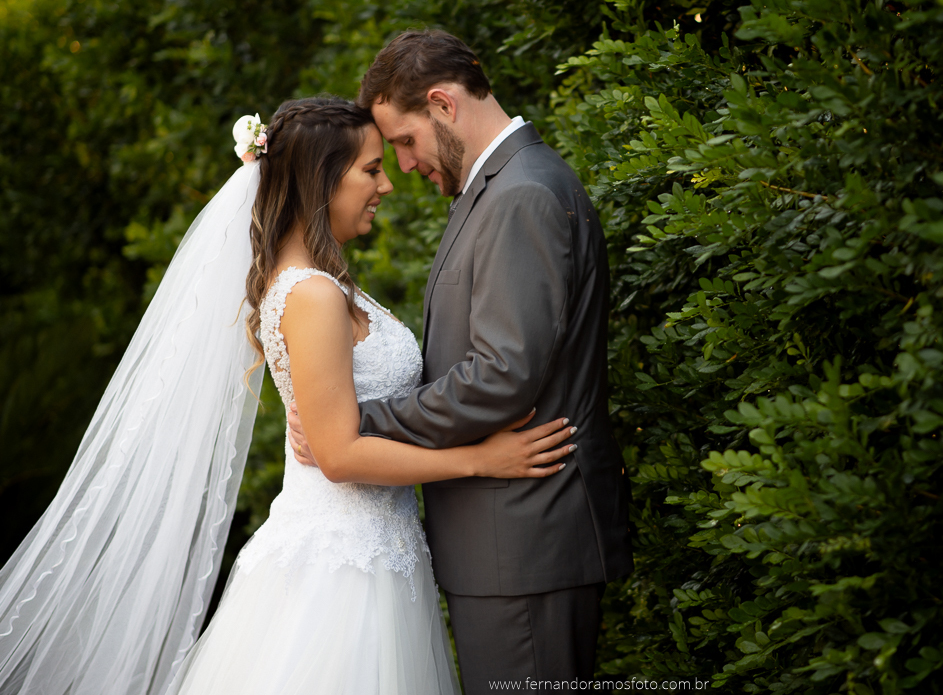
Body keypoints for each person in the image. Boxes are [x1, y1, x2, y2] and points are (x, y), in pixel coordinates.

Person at [0, 96, 577, 695]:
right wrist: (480, 460)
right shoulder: (312, 296)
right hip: (339, 573)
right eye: (371, 170)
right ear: (320, 180)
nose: (386, 185)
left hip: (381, 555)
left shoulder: (327, 284)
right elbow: (339, 456)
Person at [288, 30, 633, 692]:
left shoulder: (521, 194)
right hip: (505, 543)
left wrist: (366, 422)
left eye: (406, 142)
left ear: (443, 104)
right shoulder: (496, 191)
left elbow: (502, 376)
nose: (406, 165)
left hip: (525, 538)